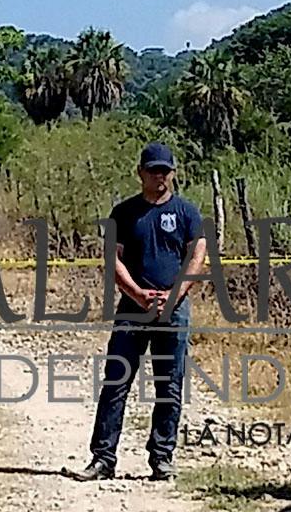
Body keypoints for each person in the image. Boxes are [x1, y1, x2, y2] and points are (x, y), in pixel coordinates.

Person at [71, 142, 206, 482]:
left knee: (169, 386)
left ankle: (162, 459)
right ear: (140, 172)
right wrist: (139, 294)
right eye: (153, 170)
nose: (159, 176)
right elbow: (112, 259)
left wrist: (174, 296)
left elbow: (197, 257)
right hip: (133, 309)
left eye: (164, 170)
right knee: (116, 383)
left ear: (172, 173)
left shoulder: (188, 213)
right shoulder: (124, 213)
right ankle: (103, 458)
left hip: (174, 312)